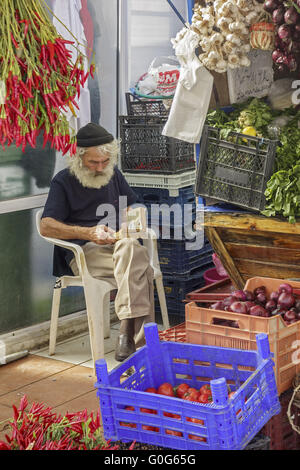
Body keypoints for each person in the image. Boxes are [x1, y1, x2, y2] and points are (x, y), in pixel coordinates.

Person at [40, 122, 155, 362]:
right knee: (141, 267)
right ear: (79, 158)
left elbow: (132, 204)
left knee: (131, 248)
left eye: (105, 161)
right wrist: (89, 233)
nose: (100, 167)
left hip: (118, 247)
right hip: (84, 252)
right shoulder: (63, 182)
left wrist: (129, 221)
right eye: (93, 162)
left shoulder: (112, 173)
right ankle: (140, 342)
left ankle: (125, 332)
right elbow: (46, 225)